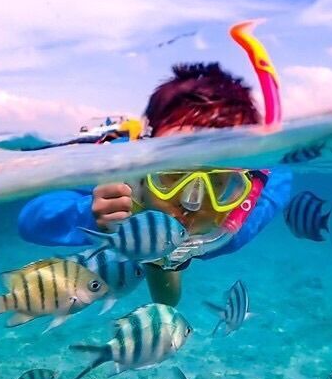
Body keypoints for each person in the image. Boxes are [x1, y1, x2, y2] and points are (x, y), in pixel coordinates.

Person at [17, 60, 292, 306]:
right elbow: (30, 221)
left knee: (166, 295)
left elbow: (283, 176)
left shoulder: (234, 229)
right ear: (145, 165)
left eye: (218, 184)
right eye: (172, 176)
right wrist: (89, 214)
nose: (191, 204)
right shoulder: (121, 177)